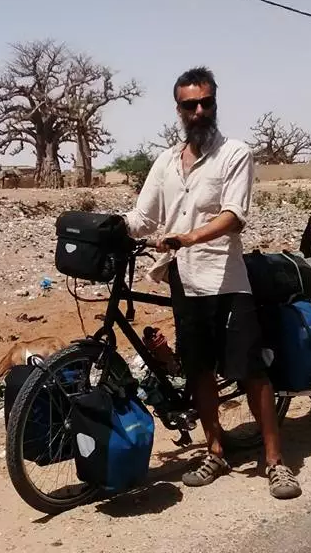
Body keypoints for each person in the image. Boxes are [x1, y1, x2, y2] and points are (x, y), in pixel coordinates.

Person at [122, 66, 301, 500]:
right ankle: (215, 450)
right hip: (184, 279)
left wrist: (188, 236)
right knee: (199, 369)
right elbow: (142, 218)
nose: (199, 110)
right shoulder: (165, 161)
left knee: (250, 369)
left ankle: (276, 462)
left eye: (206, 103)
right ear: (179, 109)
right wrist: (106, 228)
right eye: (190, 104)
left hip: (226, 277)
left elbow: (233, 215)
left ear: (215, 104)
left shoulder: (234, 153)